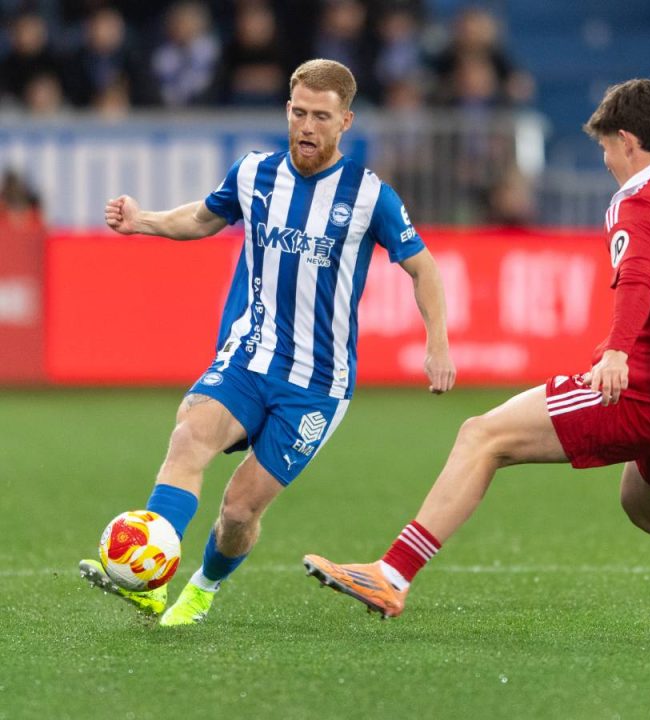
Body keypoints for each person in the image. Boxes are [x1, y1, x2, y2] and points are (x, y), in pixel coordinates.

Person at [303, 78, 650, 635]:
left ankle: (392, 575)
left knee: (483, 436)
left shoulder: (639, 202)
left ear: (627, 140)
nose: (605, 160)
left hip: (647, 392)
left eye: (605, 147)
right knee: (649, 507)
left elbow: (638, 280)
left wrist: (618, 353)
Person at [79, 58, 456, 626]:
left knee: (238, 510)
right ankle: (150, 581)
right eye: (299, 112)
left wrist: (438, 343)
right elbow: (204, 218)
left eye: (321, 117)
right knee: (188, 438)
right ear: (287, 109)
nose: (307, 126)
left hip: (316, 386)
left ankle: (202, 588)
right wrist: (143, 221)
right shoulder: (255, 173)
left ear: (346, 121)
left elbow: (423, 268)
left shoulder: (369, 196)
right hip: (248, 356)